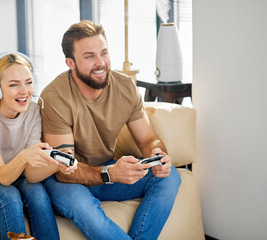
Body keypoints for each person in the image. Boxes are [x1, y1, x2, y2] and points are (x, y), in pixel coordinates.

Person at [39, 20, 181, 240]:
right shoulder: (55, 97)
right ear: (70, 62)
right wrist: (111, 173)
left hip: (105, 170)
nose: (101, 63)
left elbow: (148, 139)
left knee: (170, 176)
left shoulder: (125, 86)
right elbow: (64, 168)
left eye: (104, 52)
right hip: (65, 179)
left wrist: (157, 154)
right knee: (83, 208)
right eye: (89, 56)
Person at [0, 52, 76, 240]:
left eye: (28, 82)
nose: (25, 91)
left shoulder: (33, 111)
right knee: (8, 195)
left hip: (15, 177)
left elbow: (30, 175)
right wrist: (24, 156)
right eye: (14, 84)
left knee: (37, 191)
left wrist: (58, 163)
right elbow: (3, 177)